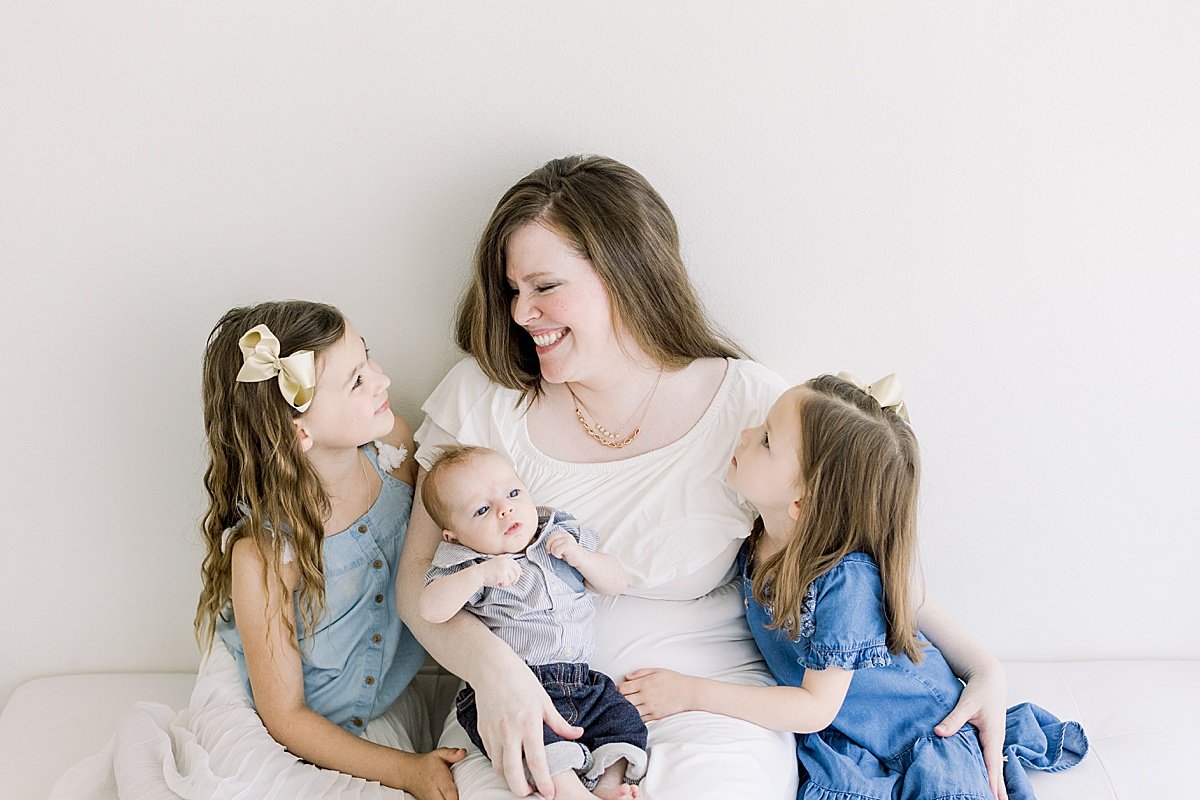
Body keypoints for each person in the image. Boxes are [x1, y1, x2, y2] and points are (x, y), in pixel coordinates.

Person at [397, 155, 1010, 800]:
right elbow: (417, 588)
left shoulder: (749, 407)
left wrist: (985, 665)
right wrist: (496, 675)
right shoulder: (480, 399)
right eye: (513, 290)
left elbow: (852, 554)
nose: (522, 313)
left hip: (710, 700)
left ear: (623, 273)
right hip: (530, 697)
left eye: (545, 287)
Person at [619, 373, 1090, 800]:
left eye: (765, 440)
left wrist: (691, 693)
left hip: (913, 730)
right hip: (852, 728)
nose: (743, 435)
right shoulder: (759, 536)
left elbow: (815, 708)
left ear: (802, 501)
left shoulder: (846, 581)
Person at [194, 300, 466, 799]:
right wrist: (408, 771)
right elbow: (287, 716)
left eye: (368, 359)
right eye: (357, 381)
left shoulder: (397, 455)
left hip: (373, 706)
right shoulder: (266, 557)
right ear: (300, 432)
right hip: (289, 727)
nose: (382, 380)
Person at [419, 445, 647, 800]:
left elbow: (616, 582)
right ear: (454, 537)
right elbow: (430, 609)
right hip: (514, 689)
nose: (504, 509)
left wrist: (583, 559)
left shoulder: (557, 531)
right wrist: (479, 575)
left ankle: (607, 784)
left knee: (622, 723)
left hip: (583, 680)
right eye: (481, 510)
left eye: (512, 493)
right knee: (538, 747)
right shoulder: (468, 563)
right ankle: (572, 793)